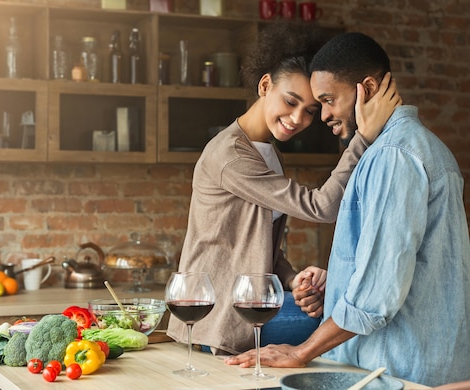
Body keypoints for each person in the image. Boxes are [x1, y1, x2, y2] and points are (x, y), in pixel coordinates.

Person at [225, 32, 470, 387]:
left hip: (395, 369)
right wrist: (339, 279)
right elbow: (408, 262)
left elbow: (375, 296)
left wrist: (301, 351)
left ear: (366, 89)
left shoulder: (393, 157)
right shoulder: (419, 146)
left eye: (327, 100)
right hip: (412, 362)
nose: (322, 115)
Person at [166, 24, 400, 356]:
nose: (297, 118)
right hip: (221, 319)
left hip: (250, 302)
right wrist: (363, 136)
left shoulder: (268, 152)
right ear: (265, 85)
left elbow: (254, 245)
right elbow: (320, 207)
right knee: (350, 326)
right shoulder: (231, 156)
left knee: (346, 321)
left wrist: (293, 280)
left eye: (310, 111)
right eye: (290, 102)